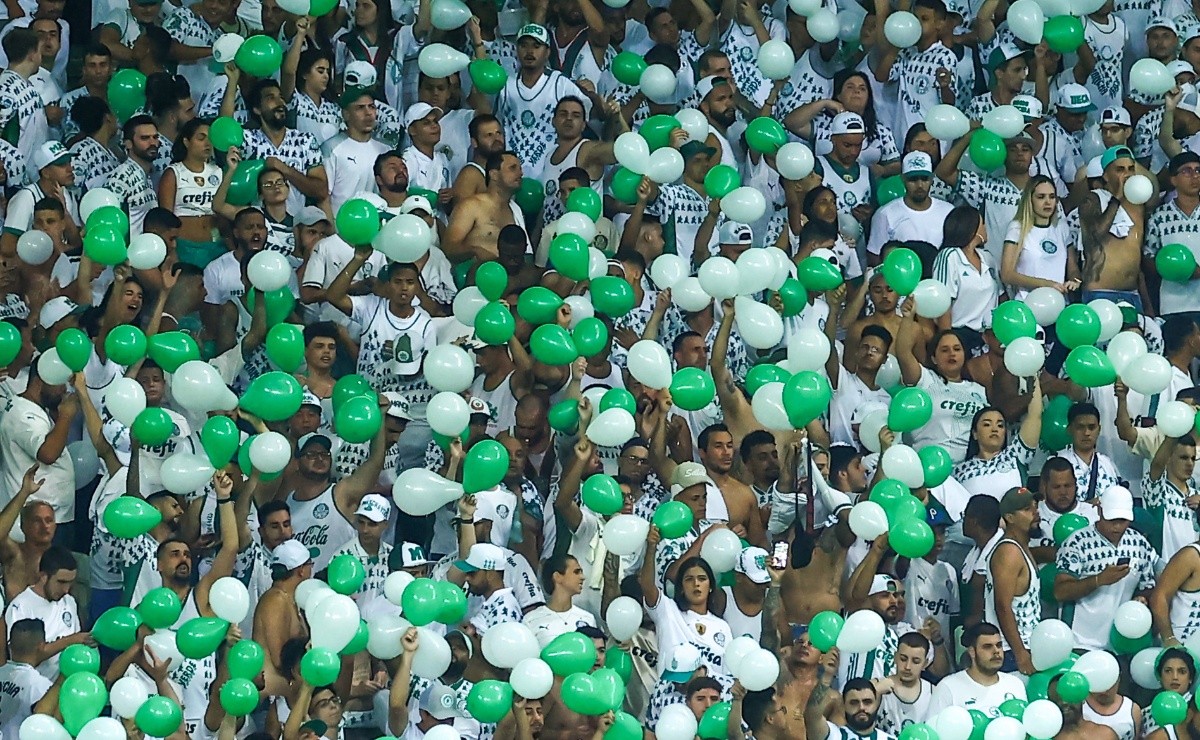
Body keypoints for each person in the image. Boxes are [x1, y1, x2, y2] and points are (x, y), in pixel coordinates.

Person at [1054, 485, 1158, 650]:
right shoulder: (1077, 543)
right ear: (1100, 511)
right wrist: (1098, 580)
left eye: (1122, 521)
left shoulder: (1139, 544)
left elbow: (1147, 588)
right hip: (1079, 642)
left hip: (1121, 643)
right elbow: (1060, 591)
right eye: (1112, 520)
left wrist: (1141, 599)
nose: (1117, 527)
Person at [927, 623, 1025, 716]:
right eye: (987, 647)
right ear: (972, 652)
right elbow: (934, 729)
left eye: (999, 645)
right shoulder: (948, 687)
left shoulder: (1015, 684)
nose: (996, 651)